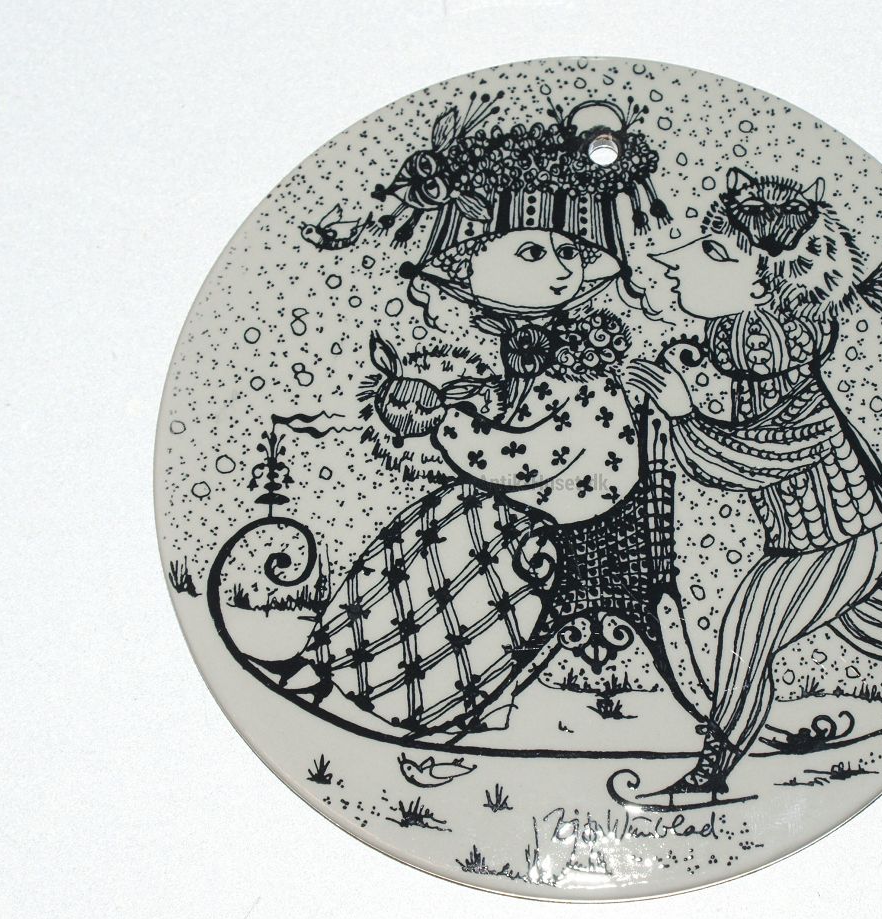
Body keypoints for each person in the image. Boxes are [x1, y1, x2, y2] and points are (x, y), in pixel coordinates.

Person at [280, 99, 704, 739]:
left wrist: (445, 424)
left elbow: (529, 456)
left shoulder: (579, 359)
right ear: (471, 263)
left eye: (569, 252)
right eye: (532, 252)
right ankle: (331, 665)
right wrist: (463, 402)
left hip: (580, 511)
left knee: (455, 535)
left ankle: (403, 700)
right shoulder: (532, 351)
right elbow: (518, 418)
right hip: (546, 499)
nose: (560, 270)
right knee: (429, 526)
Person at [626, 167, 882, 798]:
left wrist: (682, 412)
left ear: (764, 286)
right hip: (816, 538)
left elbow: (749, 460)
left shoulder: (790, 380)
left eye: (715, 253)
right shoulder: (761, 365)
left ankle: (711, 773)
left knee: (749, 627)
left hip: (843, 538)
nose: (681, 261)